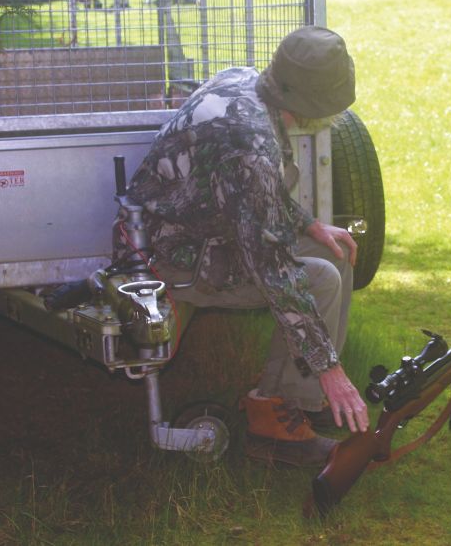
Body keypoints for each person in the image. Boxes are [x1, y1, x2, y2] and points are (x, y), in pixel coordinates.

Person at [114, 26, 369, 466]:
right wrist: (332, 369)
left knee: (334, 252)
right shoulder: (250, 143)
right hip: (172, 260)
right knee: (320, 278)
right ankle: (272, 424)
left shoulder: (241, 80)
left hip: (198, 233)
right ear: (312, 104)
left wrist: (310, 225)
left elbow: (247, 197)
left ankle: (304, 400)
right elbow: (273, 270)